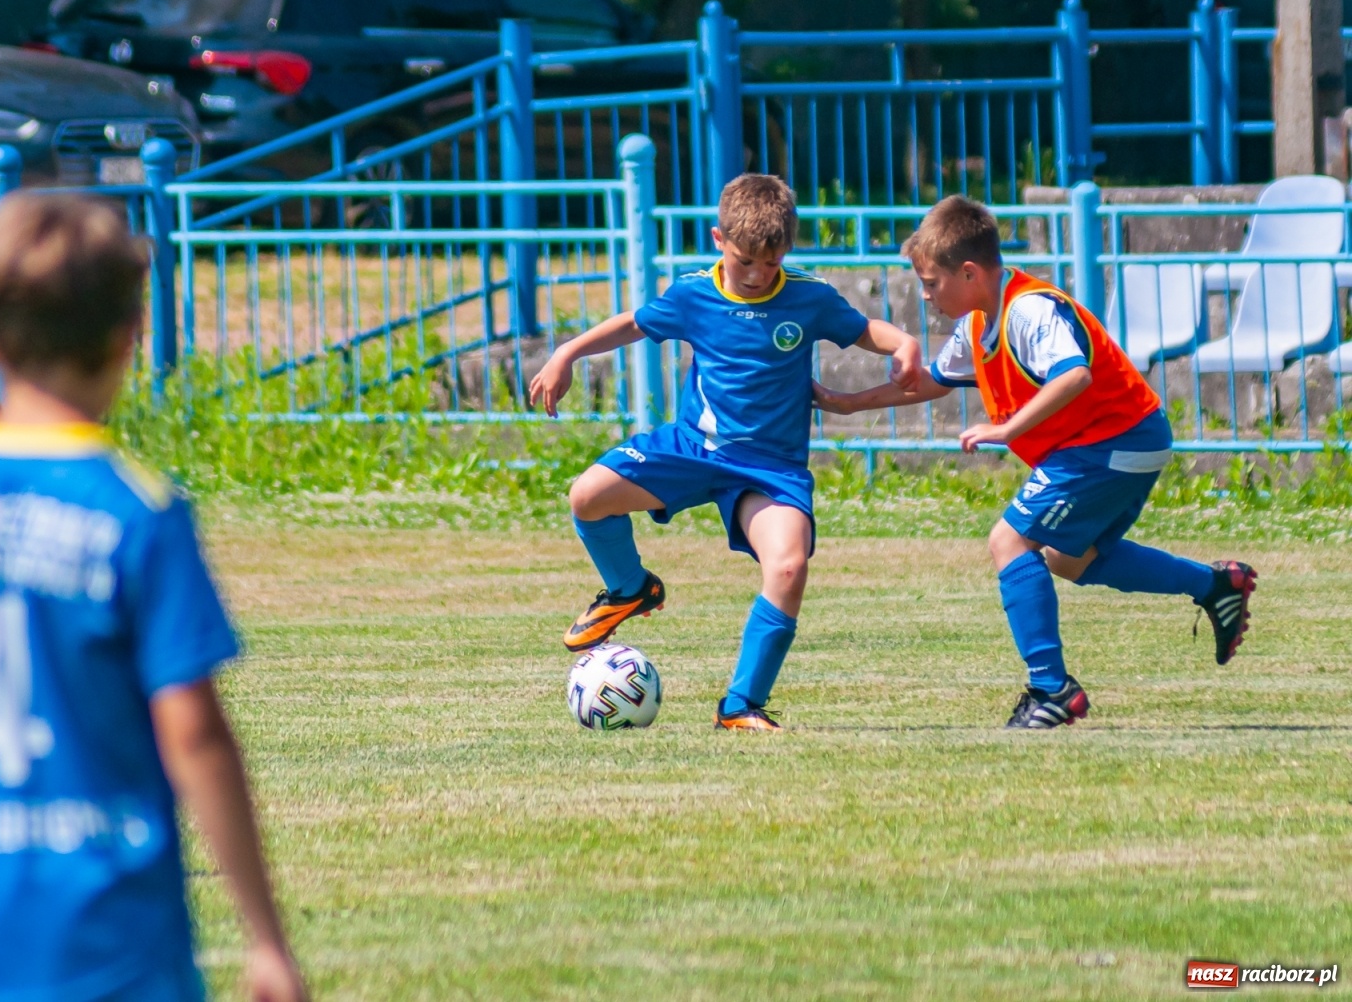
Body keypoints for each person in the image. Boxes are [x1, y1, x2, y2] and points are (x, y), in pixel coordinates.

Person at [0, 193, 308, 1001]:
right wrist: (267, 938)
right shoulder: (138, 511)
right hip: (115, 938)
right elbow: (194, 732)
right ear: (129, 337)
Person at [815, 195, 1255, 728]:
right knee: (1071, 560)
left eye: (931, 283)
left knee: (1009, 541)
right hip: (1113, 442)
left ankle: (1052, 690)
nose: (926, 295)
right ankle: (1214, 585)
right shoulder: (979, 322)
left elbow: (1074, 374)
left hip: (1115, 439)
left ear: (970, 272)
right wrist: (845, 403)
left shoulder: (1029, 309)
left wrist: (1007, 429)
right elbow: (932, 381)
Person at [529, 173, 922, 730]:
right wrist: (566, 353)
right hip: (693, 449)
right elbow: (634, 324)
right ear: (719, 240)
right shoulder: (694, 294)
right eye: (745, 262)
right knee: (587, 496)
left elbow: (864, 330)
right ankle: (630, 589)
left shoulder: (808, 297)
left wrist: (903, 342)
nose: (759, 275)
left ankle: (740, 706)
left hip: (769, 470)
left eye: (772, 262)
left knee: (788, 566)